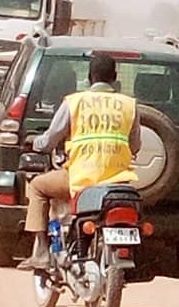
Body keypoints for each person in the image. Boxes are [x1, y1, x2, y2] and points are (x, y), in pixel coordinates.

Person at [17, 53, 141, 270]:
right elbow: (135, 146)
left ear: (90, 77)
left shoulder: (75, 102)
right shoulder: (129, 105)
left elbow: (49, 140)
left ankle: (42, 252)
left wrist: (34, 143)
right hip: (117, 183)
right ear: (115, 77)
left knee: (37, 187)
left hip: (80, 178)